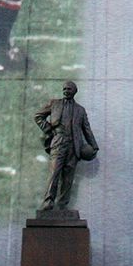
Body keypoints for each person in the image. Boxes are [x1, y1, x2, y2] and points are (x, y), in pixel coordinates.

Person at [34, 80, 97, 214]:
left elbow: (87, 129)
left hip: (74, 146)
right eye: (64, 89)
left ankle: (62, 205)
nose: (66, 91)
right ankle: (48, 203)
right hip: (59, 141)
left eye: (69, 89)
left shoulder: (80, 110)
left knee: (68, 178)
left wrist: (94, 146)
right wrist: (49, 130)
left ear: (74, 91)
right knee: (54, 173)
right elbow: (38, 116)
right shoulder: (54, 103)